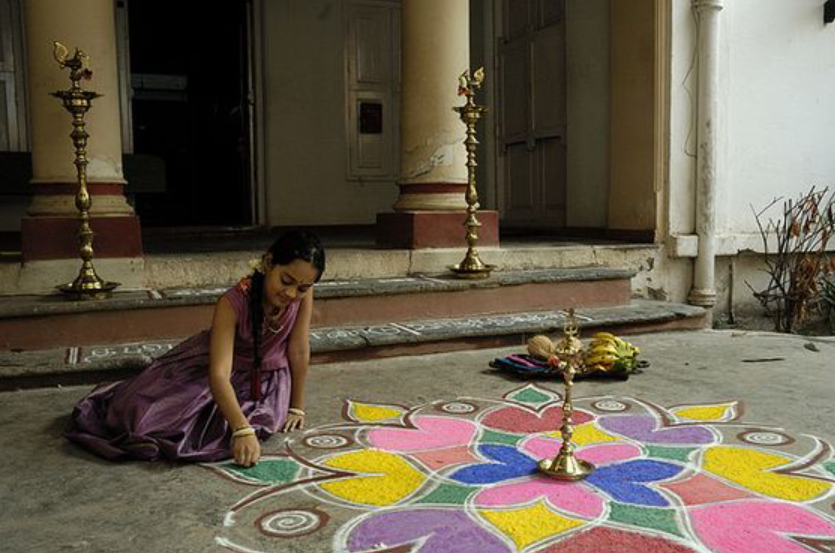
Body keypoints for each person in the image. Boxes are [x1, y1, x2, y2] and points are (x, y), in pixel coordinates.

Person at [65, 230, 326, 467]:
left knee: (238, 425)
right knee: (146, 420)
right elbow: (219, 374)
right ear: (268, 263)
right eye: (286, 281)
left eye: (302, 288)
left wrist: (296, 406)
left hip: (267, 383)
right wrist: (241, 430)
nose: (292, 294)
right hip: (214, 372)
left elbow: (299, 350)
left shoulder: (302, 294)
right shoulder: (232, 302)